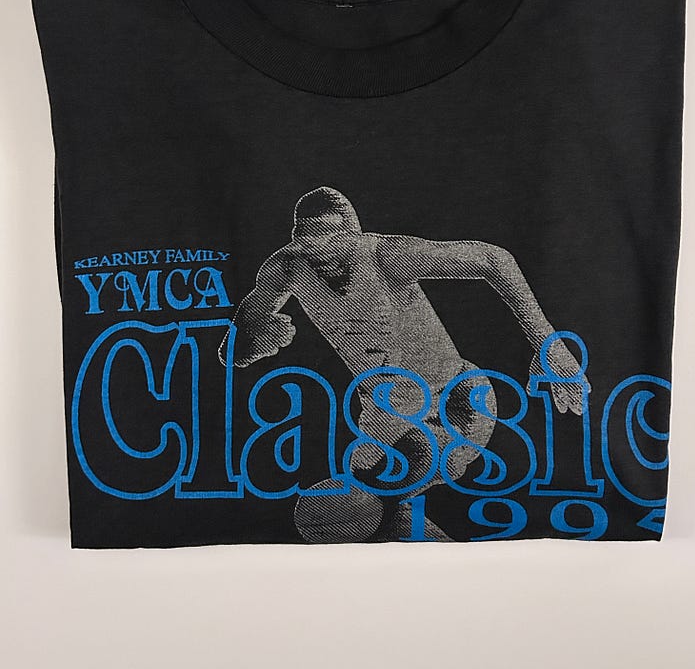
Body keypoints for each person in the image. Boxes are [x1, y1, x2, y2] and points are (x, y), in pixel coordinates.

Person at [218, 186, 589, 542]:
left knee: (366, 503)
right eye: (308, 240)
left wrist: (550, 344)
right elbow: (234, 344)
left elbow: (494, 260)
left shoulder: (387, 256)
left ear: (354, 234)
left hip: (455, 402)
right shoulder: (287, 267)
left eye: (331, 239)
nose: (320, 250)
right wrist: (249, 345)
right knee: (367, 521)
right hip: (386, 413)